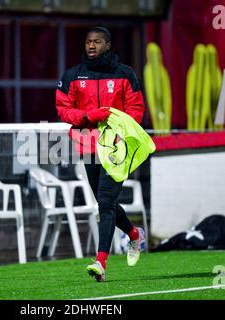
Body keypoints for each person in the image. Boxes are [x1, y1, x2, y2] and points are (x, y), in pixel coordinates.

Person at [55, 26, 146, 282]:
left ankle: (100, 262)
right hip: (88, 147)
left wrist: (121, 133)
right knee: (104, 202)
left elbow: (136, 110)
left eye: (96, 42)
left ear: (108, 45)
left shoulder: (125, 74)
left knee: (105, 202)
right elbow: (63, 109)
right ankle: (135, 234)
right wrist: (88, 116)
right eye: (87, 42)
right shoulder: (73, 76)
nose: (91, 46)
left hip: (117, 149)